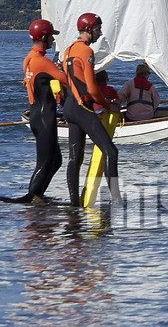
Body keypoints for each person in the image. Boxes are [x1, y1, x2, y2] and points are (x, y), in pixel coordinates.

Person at [63, 13, 121, 205]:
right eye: (98, 29)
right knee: (110, 151)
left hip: (70, 106)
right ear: (88, 30)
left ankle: (74, 204)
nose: (100, 33)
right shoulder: (86, 52)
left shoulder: (68, 50)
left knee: (75, 157)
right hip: (82, 108)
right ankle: (116, 200)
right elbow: (92, 88)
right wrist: (107, 105)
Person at [21, 19, 67, 202]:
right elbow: (66, 81)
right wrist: (63, 69)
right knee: (46, 162)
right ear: (44, 37)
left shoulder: (29, 58)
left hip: (37, 115)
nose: (53, 41)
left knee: (56, 161)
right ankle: (31, 198)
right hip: (44, 117)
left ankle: (38, 196)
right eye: (51, 37)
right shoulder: (42, 61)